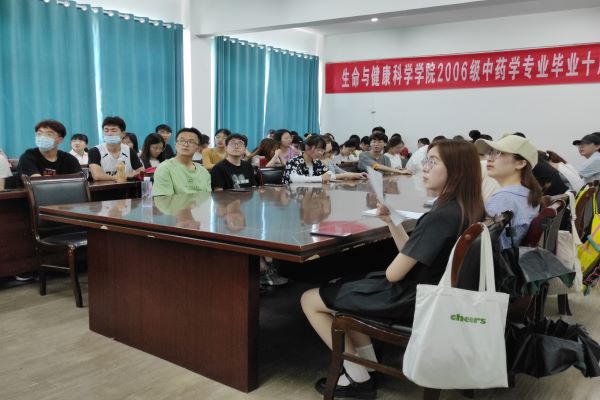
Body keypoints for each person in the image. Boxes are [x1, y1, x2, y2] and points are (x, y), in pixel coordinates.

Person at [301, 140, 485, 398]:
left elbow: (393, 274)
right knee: (347, 287)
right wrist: (391, 221)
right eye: (426, 160)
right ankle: (367, 368)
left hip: (414, 298)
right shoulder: (466, 207)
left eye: (433, 162)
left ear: (457, 171)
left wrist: (393, 261)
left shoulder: (441, 216)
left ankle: (356, 376)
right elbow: (412, 252)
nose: (424, 167)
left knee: (309, 299)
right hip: (433, 293)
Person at [475, 134, 541, 249]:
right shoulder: (526, 194)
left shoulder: (504, 198)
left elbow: (488, 247)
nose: (489, 158)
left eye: (498, 153)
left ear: (520, 163)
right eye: (490, 153)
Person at [152, 127, 211, 195]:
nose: (186, 144)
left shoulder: (203, 172)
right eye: (182, 140)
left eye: (191, 142)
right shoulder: (165, 168)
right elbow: (163, 199)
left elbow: (207, 197)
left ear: (197, 147)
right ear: (175, 145)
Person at [88, 117, 144, 182]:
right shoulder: (95, 151)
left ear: (123, 134)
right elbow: (97, 175)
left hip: (126, 187)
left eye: (113, 130)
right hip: (103, 187)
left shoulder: (129, 151)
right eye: (106, 131)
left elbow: (141, 172)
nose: (109, 134)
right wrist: (122, 177)